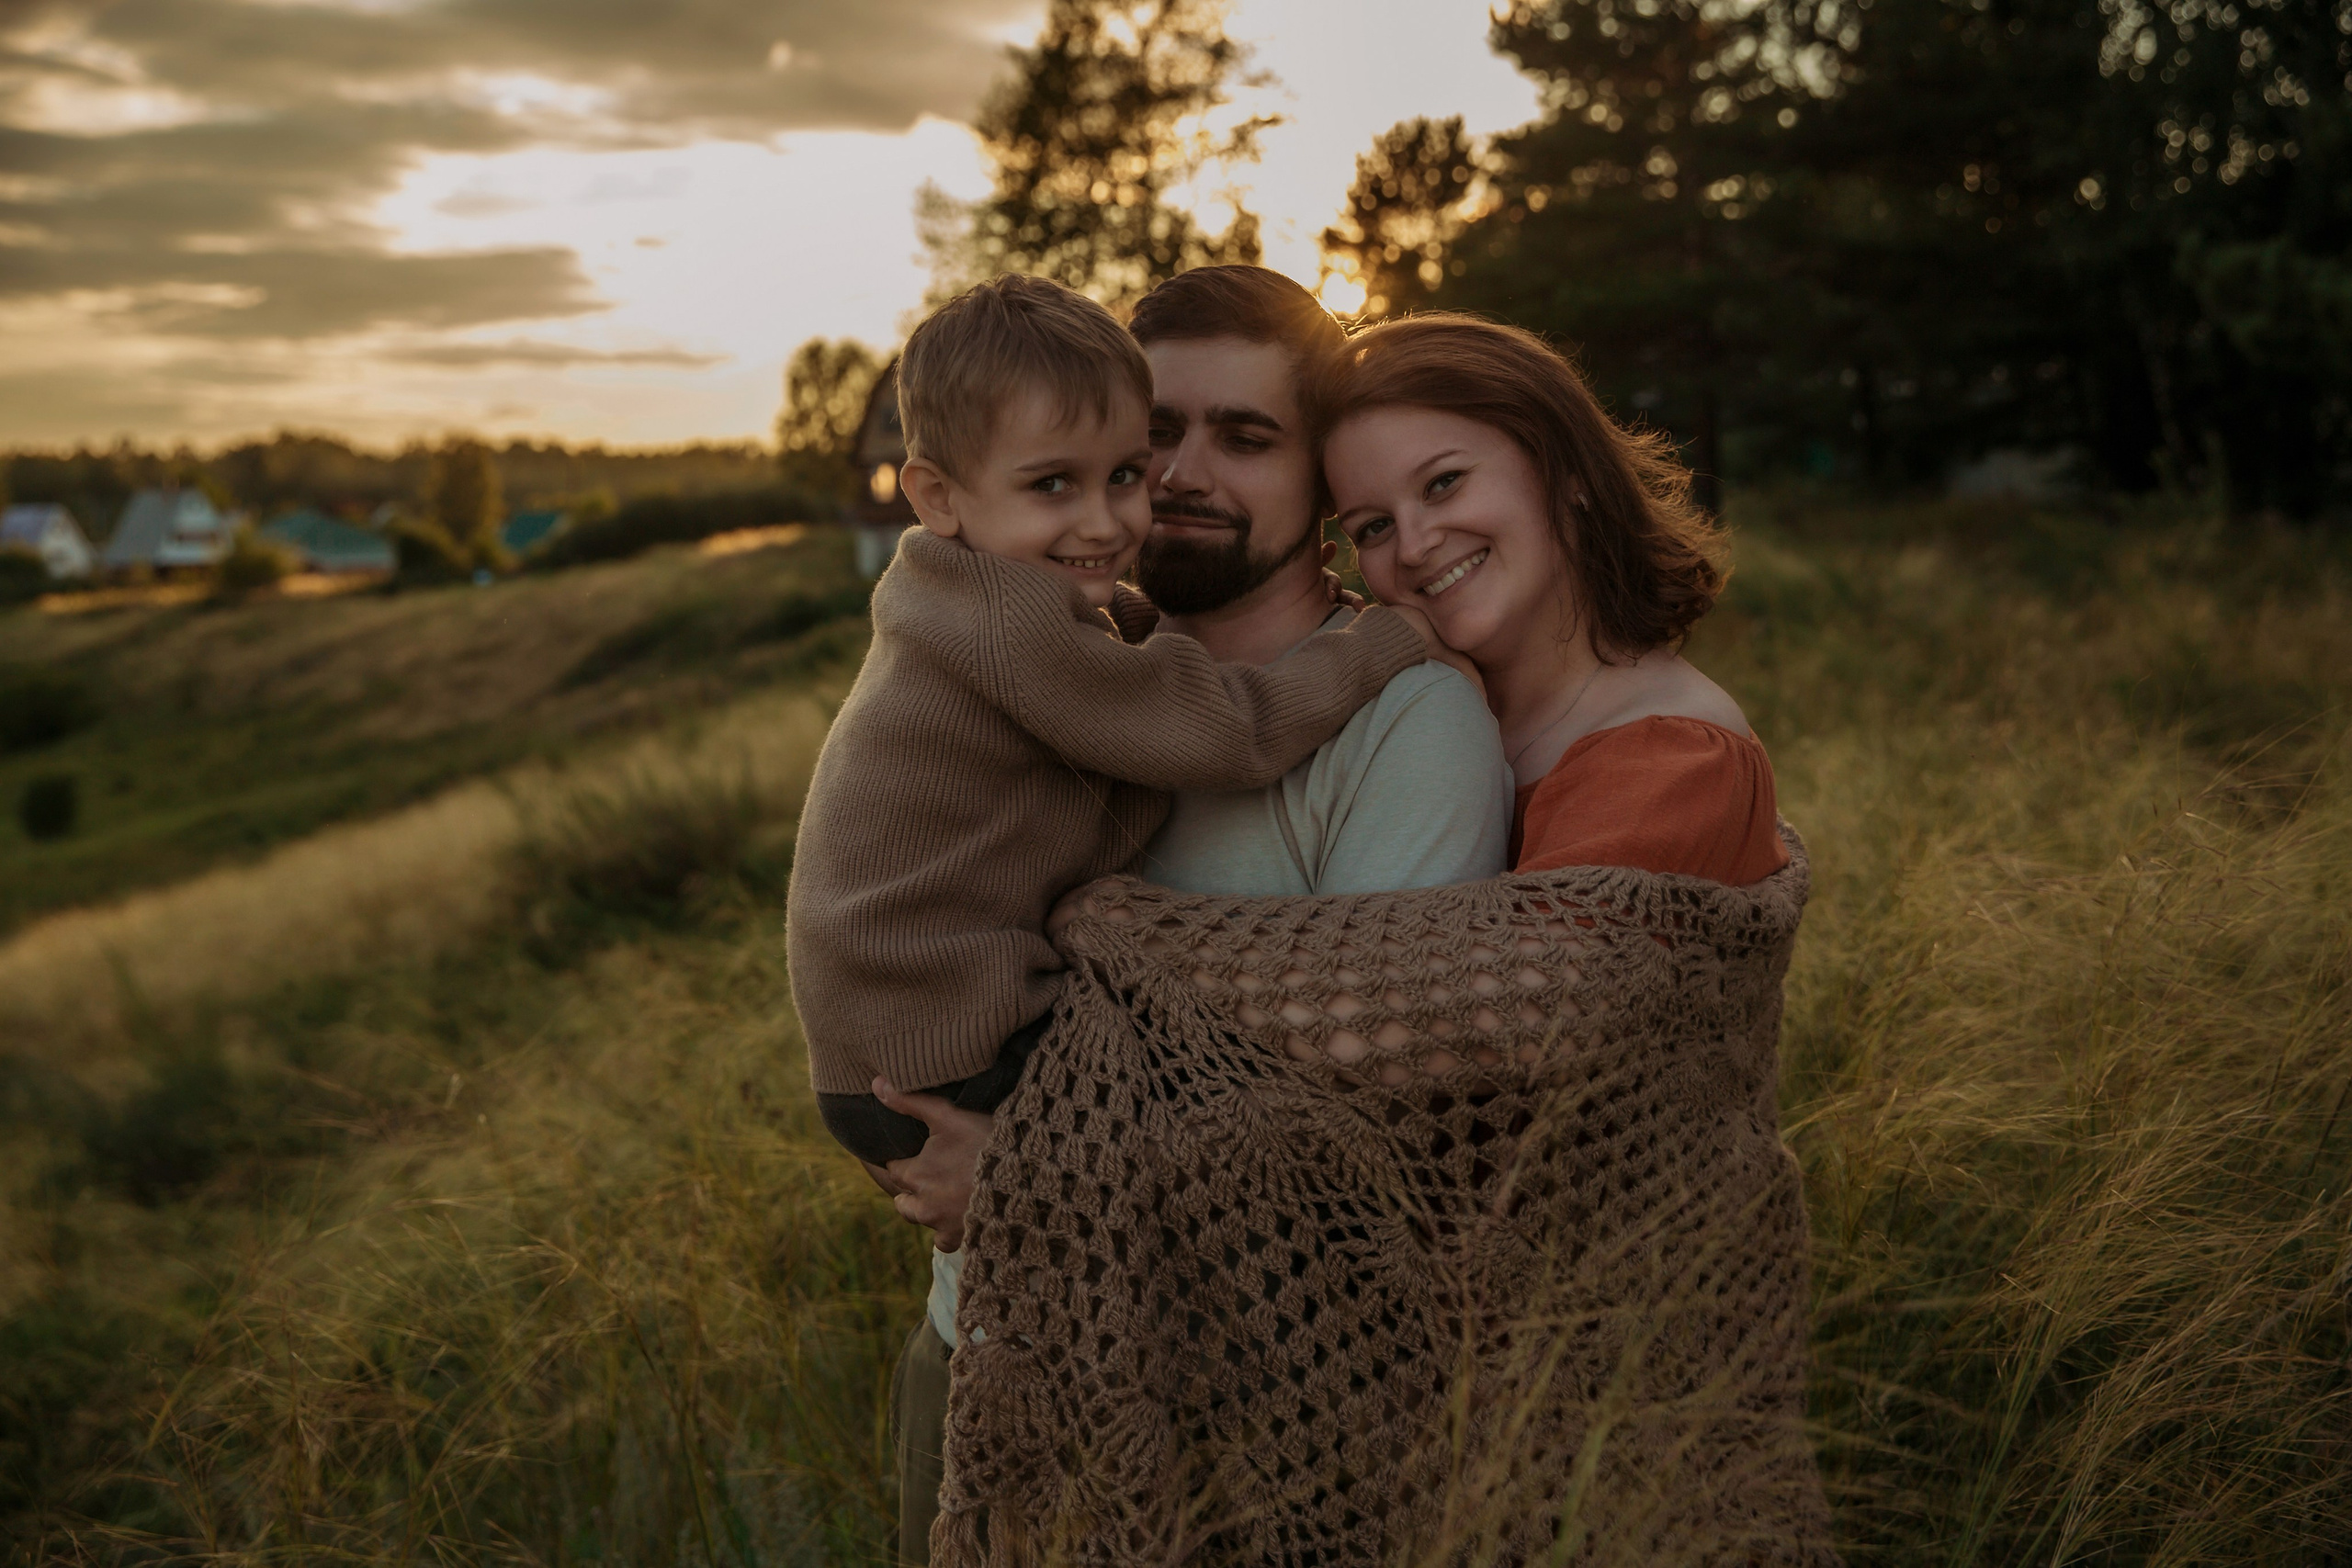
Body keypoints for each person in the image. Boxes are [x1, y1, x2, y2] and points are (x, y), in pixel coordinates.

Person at [781, 271, 1460, 1559]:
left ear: (1321, 474)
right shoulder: (1039, 635)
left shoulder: (1403, 733)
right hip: (981, 1311)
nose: (1139, 501)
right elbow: (1218, 731)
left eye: (1242, 438)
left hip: (1219, 1392)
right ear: (940, 496)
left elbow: (1366, 1134)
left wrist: (1027, 1172)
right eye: (1069, 479)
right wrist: (1383, 636)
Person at [1316, 312, 1785, 886]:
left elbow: (1494, 951)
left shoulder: (1674, 761)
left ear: (1567, 470)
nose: (1413, 547)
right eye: (1374, 526)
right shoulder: (1393, 712)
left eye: (1443, 482)